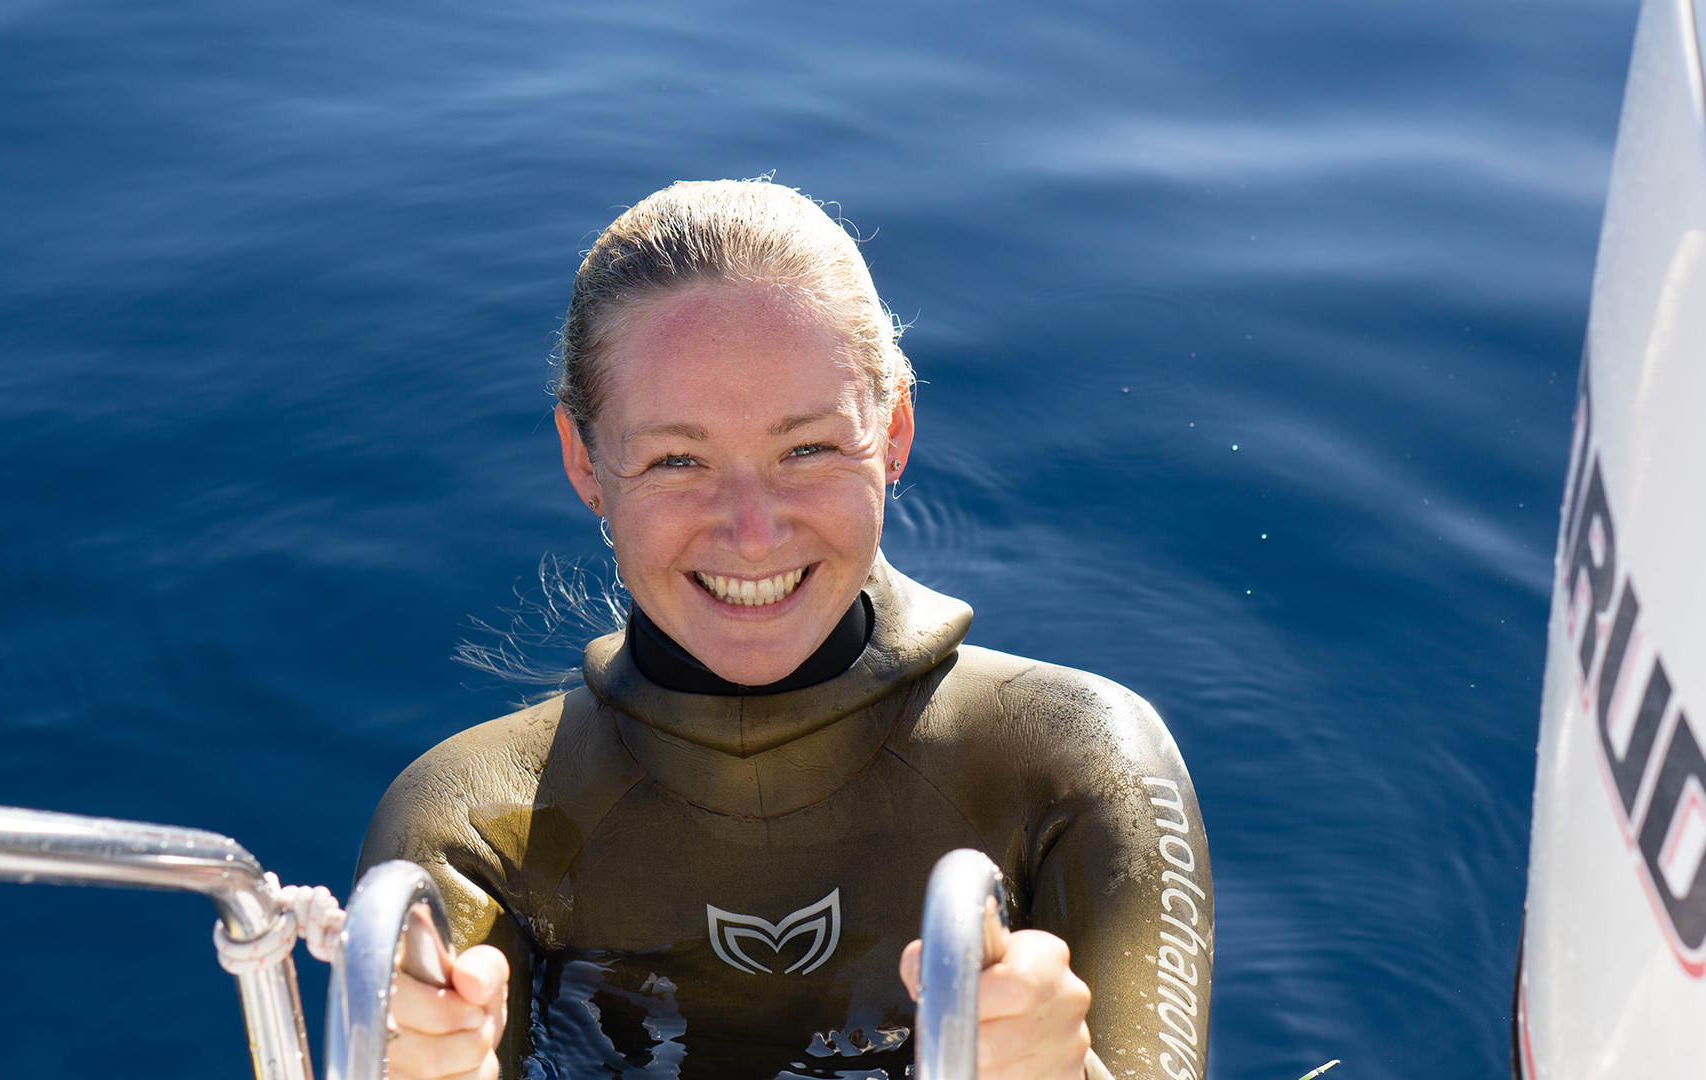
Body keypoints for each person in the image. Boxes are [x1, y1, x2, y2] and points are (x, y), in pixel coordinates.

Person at [357, 179, 1213, 1080]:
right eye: (676, 460)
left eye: (807, 448)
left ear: (893, 436)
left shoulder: (1074, 761)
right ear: (586, 464)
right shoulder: (469, 824)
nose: (753, 532)